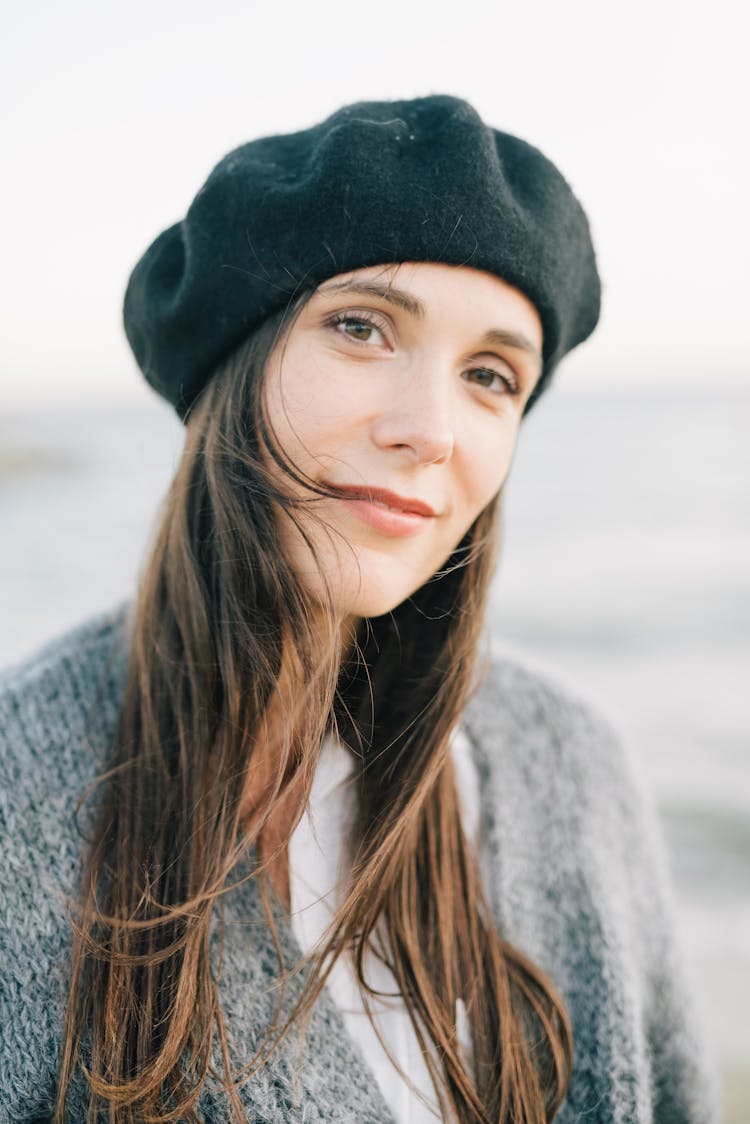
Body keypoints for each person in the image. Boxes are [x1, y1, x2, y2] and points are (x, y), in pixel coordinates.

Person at [0, 96, 718, 1123]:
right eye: (360, 327)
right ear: (230, 368)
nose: (431, 429)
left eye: (490, 374)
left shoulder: (573, 764)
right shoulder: (19, 789)